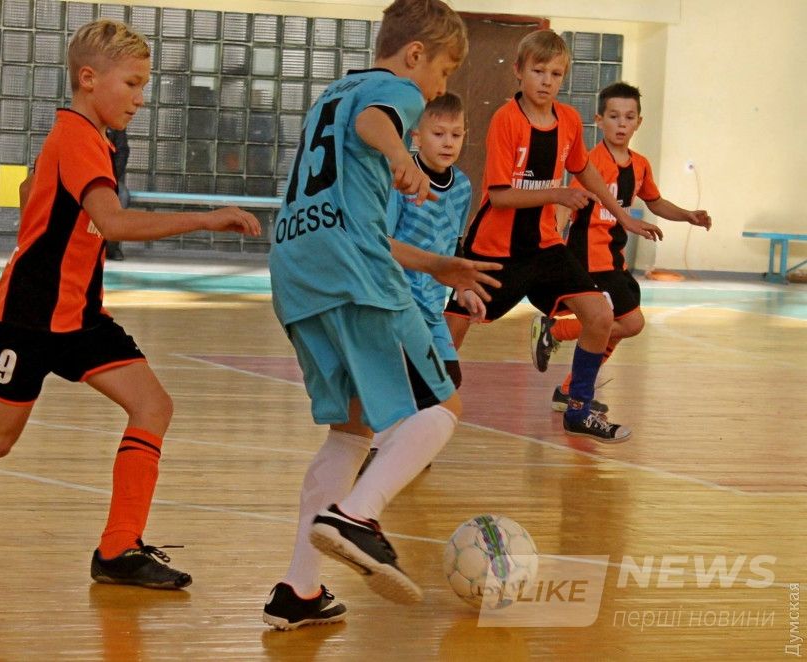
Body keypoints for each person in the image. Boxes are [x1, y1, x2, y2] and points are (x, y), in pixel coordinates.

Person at [0, 19, 260, 589]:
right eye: (132, 84)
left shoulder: (86, 138)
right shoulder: (79, 137)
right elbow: (112, 222)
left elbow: (30, 197)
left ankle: (118, 549)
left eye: (144, 85)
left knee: (153, 406)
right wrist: (207, 219)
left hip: (80, 316)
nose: (140, 98)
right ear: (88, 79)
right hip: (29, 319)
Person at [263, 0, 501, 630]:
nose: (439, 88)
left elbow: (353, 215)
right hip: (353, 272)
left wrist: (437, 265)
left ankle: (299, 590)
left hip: (297, 269)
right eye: (443, 72)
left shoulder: (331, 95)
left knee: (352, 428)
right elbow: (378, 121)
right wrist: (400, 154)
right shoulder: (394, 90)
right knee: (441, 408)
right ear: (416, 54)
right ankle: (356, 515)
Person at [444, 29, 663, 443]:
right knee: (450, 336)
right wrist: (558, 193)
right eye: (538, 71)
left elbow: (586, 171)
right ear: (519, 71)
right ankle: (415, 412)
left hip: (546, 246)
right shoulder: (506, 119)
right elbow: (500, 196)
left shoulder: (568, 120)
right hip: (496, 249)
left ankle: (578, 408)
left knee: (600, 315)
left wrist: (624, 216)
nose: (547, 81)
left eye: (556, 74)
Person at [533, 82, 711, 412]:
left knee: (616, 328)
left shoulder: (640, 165)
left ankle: (570, 389)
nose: (621, 123)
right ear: (599, 120)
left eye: (629, 117)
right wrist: (554, 239)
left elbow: (655, 202)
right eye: (614, 116)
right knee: (631, 323)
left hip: (615, 259)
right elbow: (566, 203)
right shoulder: (590, 162)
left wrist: (688, 215)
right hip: (590, 257)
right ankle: (557, 331)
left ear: (638, 122)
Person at [364, 92, 484, 469]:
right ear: (416, 136)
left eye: (456, 135)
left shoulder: (462, 186)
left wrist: (464, 286)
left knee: (449, 377)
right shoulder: (402, 179)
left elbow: (455, 242)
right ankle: (380, 449)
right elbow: (382, 242)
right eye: (438, 133)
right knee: (424, 382)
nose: (448, 142)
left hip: (433, 304)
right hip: (398, 298)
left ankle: (397, 445)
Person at [105, 127, 129, 260]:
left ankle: (111, 247)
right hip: (84, 178)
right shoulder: (81, 123)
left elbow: (122, 152)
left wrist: (111, 178)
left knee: (123, 195)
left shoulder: (116, 124)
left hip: (111, 178)